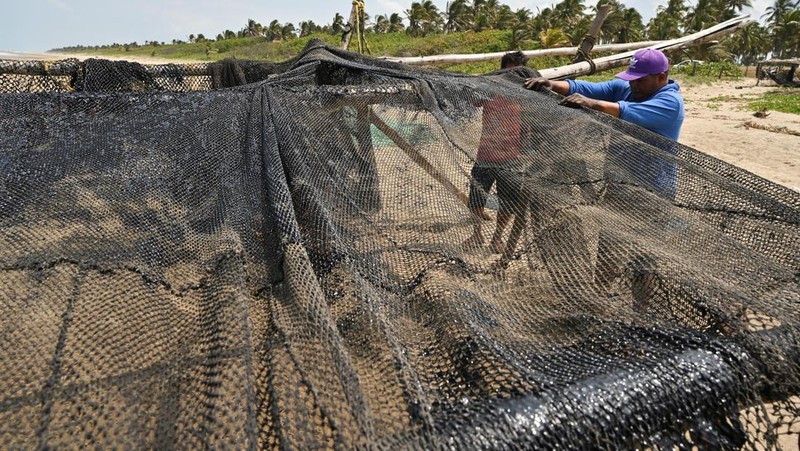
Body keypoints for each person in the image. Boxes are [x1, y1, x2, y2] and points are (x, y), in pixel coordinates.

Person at [523, 48, 684, 141]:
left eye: (639, 80)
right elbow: (587, 88)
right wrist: (552, 84)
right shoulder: (626, 88)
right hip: (619, 177)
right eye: (631, 79)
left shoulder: (670, 103)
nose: (633, 84)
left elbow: (624, 110)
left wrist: (591, 103)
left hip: (653, 186)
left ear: (661, 77)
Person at [463, 51, 529, 252]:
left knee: (508, 202)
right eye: (510, 70)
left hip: (513, 157)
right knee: (476, 196)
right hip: (486, 154)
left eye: (518, 71)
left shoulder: (527, 93)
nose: (513, 76)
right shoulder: (491, 90)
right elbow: (473, 100)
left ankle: (497, 238)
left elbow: (531, 125)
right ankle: (476, 234)